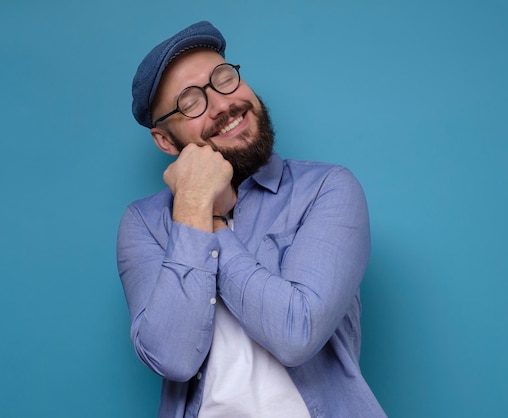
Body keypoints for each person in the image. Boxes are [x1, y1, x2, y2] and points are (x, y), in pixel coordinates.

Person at [116, 20, 386, 418]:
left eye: (223, 78)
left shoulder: (326, 189)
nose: (223, 104)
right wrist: (192, 205)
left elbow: (296, 334)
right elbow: (173, 358)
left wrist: (217, 223)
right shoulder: (143, 223)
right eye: (191, 102)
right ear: (165, 140)